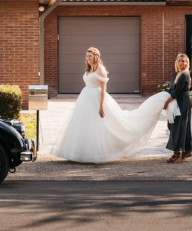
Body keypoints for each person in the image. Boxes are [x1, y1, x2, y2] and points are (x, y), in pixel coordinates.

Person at [51, 48, 179, 163]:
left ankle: (97, 153)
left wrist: (101, 106)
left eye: (90, 56)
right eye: (86, 56)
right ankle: (81, 153)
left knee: (100, 125)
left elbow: (103, 89)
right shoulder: (88, 68)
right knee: (85, 124)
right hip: (85, 99)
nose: (88, 58)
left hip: (97, 99)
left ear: (96, 57)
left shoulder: (100, 68)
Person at [163, 54, 192, 163]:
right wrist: (162, 98)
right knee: (172, 125)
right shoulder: (176, 73)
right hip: (176, 102)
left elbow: (176, 93)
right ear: (176, 62)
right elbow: (171, 89)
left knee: (178, 126)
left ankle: (177, 153)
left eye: (183, 61)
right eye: (179, 60)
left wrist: (166, 103)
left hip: (182, 103)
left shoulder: (184, 75)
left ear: (187, 63)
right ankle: (186, 151)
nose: (181, 63)